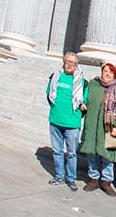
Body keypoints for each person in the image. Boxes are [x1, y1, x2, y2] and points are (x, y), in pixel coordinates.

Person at [81, 63, 116, 196]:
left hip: (108, 128)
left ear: (114, 74)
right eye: (105, 71)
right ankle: (93, 179)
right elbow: (85, 99)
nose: (107, 74)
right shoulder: (93, 84)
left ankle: (106, 181)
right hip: (92, 126)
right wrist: (83, 105)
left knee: (107, 156)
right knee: (92, 154)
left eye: (110, 72)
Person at [46, 52, 88, 191]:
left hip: (72, 123)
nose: (70, 65)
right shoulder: (55, 77)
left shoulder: (82, 82)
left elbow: (84, 103)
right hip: (56, 120)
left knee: (72, 153)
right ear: (64, 62)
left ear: (77, 65)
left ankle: (71, 178)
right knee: (57, 151)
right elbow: (49, 94)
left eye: (73, 63)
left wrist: (80, 110)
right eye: (68, 62)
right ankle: (59, 175)